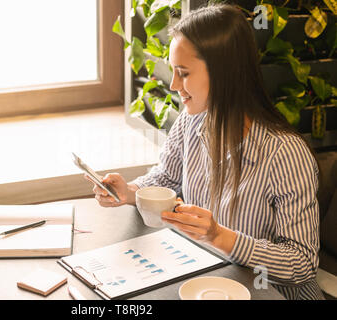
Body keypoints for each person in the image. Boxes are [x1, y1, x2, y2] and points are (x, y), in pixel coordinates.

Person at [85, 4, 324, 300]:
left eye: (183, 73)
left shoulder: (285, 154)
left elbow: (301, 264)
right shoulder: (192, 119)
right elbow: (168, 177)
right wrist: (131, 191)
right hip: (209, 279)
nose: (173, 85)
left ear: (224, 74)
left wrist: (219, 236)